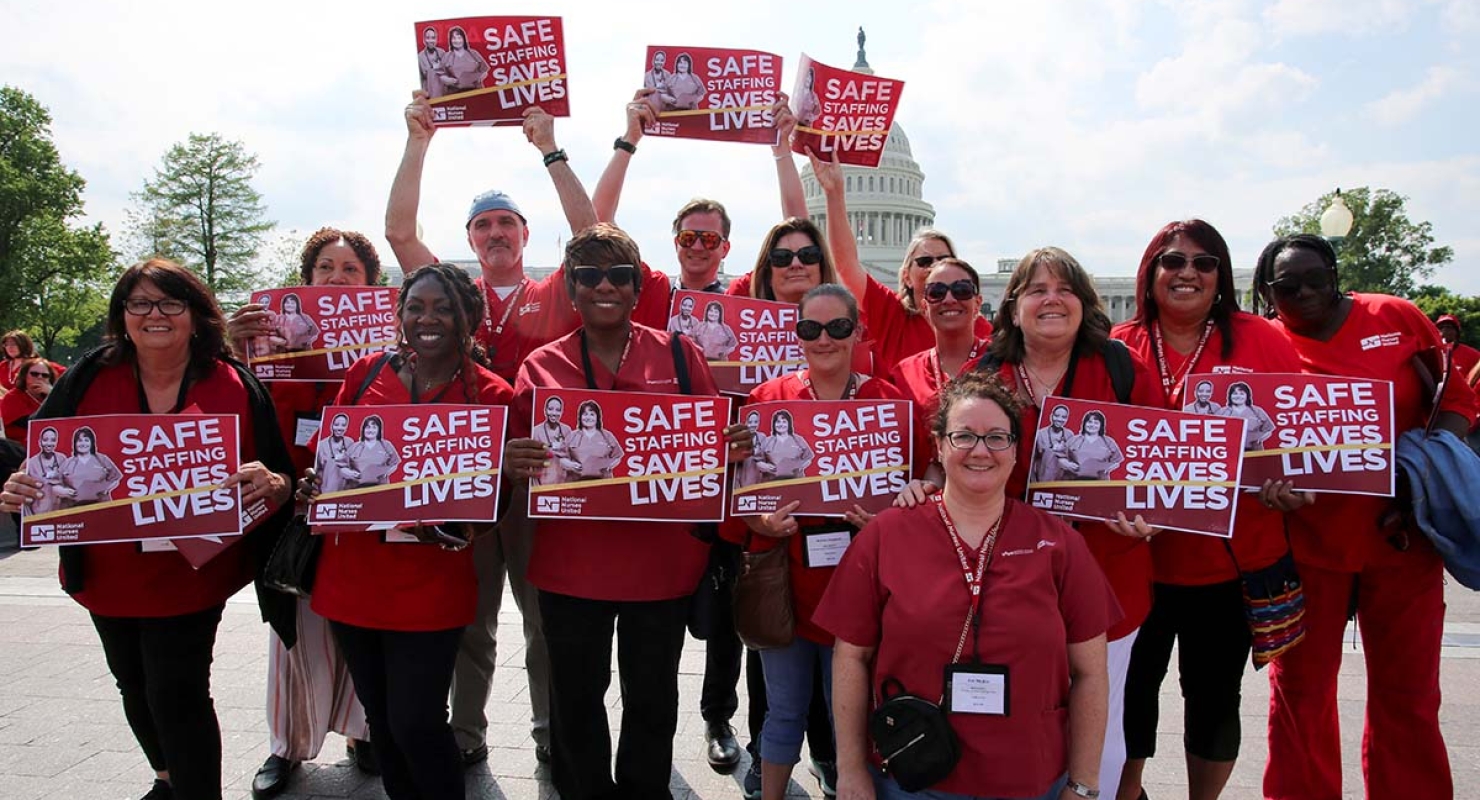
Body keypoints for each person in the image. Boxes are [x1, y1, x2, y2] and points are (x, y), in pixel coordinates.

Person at [388, 91, 630, 769]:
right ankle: (466, 737)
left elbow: (593, 234)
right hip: (462, 483)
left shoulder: (553, 291)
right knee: (470, 622)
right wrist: (418, 141)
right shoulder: (450, 297)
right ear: (469, 238)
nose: (494, 234)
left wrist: (549, 150)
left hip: (535, 483)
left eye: (506, 224)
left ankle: (552, 734)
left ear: (525, 234)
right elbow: (401, 235)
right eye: (482, 225)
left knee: (542, 623)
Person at [0, 257, 296, 800]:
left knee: (177, 690)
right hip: (107, 573)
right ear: (123, 314)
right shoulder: (89, 374)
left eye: (169, 302)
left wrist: (273, 483)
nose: (153, 314)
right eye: (139, 302)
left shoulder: (233, 382)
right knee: (132, 682)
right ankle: (166, 777)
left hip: (193, 574)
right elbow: (42, 460)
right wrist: (21, 486)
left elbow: (280, 473)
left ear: (195, 314)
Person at [501, 224, 751, 800]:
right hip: (570, 567)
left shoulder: (681, 355)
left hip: (658, 569)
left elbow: (708, 445)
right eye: (588, 275)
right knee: (575, 696)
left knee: (653, 696)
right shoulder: (541, 366)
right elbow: (513, 464)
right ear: (570, 287)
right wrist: (513, 461)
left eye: (619, 275)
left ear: (639, 287)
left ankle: (644, 790)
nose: (603, 286)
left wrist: (729, 444)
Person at [902, 246, 1158, 798]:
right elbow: (951, 457)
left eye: (1064, 289)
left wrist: (1149, 514)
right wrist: (926, 482)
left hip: (1108, 573)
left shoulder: (1120, 368)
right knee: (1018, 716)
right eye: (1037, 290)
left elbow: (1160, 465)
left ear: (1084, 303)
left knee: (1102, 724)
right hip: (1011, 582)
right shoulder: (983, 374)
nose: (1051, 300)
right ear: (1012, 307)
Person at [817, 370, 1116, 800]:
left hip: (1029, 779)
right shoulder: (886, 535)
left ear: (1015, 451)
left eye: (997, 437)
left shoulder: (1059, 543)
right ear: (939, 446)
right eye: (964, 437)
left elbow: (1091, 673)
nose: (981, 450)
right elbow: (850, 658)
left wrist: (1083, 784)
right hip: (912, 776)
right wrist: (849, 770)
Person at [1252, 233, 1476, 800]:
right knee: (1300, 692)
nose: (1303, 293)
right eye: (1286, 286)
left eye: (1315, 279)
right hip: (1305, 547)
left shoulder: (1396, 316)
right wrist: (1263, 487)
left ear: (1335, 274)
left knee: (1410, 694)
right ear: (1266, 292)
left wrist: (1423, 465)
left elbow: (1455, 398)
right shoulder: (1262, 343)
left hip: (1402, 538)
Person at [1112, 219, 1308, 800]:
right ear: (1150, 274)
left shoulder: (1262, 340)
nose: (1187, 273)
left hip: (1230, 561)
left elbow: (1294, 438)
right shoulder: (1120, 345)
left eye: (1204, 262)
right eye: (1173, 261)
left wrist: (1288, 483)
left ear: (1220, 276)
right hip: (1136, 561)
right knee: (1129, 695)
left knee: (1215, 697)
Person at [304, 263, 514, 800]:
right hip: (353, 578)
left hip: (430, 585)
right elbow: (334, 456)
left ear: (470, 317)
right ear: (399, 314)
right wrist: (315, 482)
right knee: (383, 721)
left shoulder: (491, 394)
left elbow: (495, 505)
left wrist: (462, 521)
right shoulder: (368, 374)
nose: (429, 318)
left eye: (444, 308)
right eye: (417, 306)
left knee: (418, 721)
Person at [227, 226, 379, 797]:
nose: (336, 279)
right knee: (294, 633)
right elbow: (232, 409)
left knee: (363, 625)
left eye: (349, 271)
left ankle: (365, 733)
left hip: (361, 509)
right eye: (325, 269)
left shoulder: (387, 353)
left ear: (368, 285)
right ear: (306, 277)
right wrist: (229, 344)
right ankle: (286, 747)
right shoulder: (266, 341)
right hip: (289, 506)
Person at [742, 283, 905, 800]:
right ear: (797, 334)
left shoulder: (886, 401)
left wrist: (884, 519)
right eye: (812, 329)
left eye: (838, 328)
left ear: (858, 331)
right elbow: (742, 499)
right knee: (783, 707)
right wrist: (760, 523)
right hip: (788, 582)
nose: (825, 340)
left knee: (851, 714)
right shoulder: (767, 400)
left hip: (860, 591)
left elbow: (918, 492)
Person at [808, 150, 990, 377]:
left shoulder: (978, 327)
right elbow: (845, 264)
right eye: (924, 261)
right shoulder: (893, 317)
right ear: (906, 276)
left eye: (943, 259)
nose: (934, 266)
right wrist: (834, 194)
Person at [886, 258, 991, 481]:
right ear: (925, 306)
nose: (950, 299)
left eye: (962, 290)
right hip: (924, 502)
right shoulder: (903, 374)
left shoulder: (1005, 363)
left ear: (978, 303)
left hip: (991, 498)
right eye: (937, 292)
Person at [560, 399, 623, 480]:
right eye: (585, 414)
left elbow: (617, 456)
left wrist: (610, 466)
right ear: (580, 417)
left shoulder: (607, 436)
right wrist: (571, 465)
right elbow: (561, 458)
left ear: (597, 417)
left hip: (602, 483)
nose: (588, 417)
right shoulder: (572, 436)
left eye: (592, 414)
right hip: (575, 484)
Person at [58, 426, 121, 506]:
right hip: (74, 506)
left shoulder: (102, 459)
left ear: (92, 443)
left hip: (100, 503)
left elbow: (115, 479)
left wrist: (105, 489)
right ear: (75, 443)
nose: (83, 443)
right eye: (80, 441)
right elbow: (56, 484)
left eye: (86, 440)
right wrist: (64, 491)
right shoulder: (67, 463)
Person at [2, 357, 60, 441]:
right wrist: (53, 396)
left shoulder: (50, 396)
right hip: (20, 448)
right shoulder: (13, 396)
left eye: (45, 375)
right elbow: (33, 423)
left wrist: (52, 394)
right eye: (34, 374)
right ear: (25, 376)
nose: (40, 377)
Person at [1214, 381, 1275, 451]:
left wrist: (1259, 439)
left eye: (1241, 394)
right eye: (1235, 393)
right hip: (1228, 450)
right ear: (1230, 395)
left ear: (1247, 396)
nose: (1238, 396)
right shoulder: (1222, 412)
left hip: (1253, 449)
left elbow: (1269, 429)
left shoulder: (1257, 411)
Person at [1062, 410, 1122, 480]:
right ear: (1084, 423)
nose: (1092, 425)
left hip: (1099, 482)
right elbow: (1061, 457)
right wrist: (1067, 464)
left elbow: (1116, 461)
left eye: (1096, 423)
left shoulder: (1108, 442)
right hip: (1073, 481)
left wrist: (1107, 469)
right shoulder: (1074, 440)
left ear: (1101, 425)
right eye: (1089, 422)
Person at [22, 426, 67, 514]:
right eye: (45, 440)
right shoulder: (32, 463)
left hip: (61, 511)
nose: (49, 443)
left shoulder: (62, 458)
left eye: (53, 440)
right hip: (40, 511)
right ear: (40, 442)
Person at [529, 396, 573, 486]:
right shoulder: (536, 431)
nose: (554, 413)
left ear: (561, 412)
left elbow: (571, 456)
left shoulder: (566, 430)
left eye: (558, 410)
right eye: (550, 409)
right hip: (543, 481)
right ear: (545, 410)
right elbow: (533, 462)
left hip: (562, 481)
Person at [346, 414, 399, 489]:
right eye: (368, 427)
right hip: (357, 488)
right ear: (363, 429)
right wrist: (350, 473)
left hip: (380, 487)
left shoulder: (386, 445)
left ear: (379, 430)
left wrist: (386, 473)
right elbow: (343, 466)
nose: (370, 430)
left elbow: (394, 463)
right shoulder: (354, 447)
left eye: (374, 427)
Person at [314, 413, 356, 493]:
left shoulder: (350, 442)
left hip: (343, 492)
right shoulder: (321, 445)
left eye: (343, 425)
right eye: (336, 424)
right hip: (325, 490)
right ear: (331, 426)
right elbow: (318, 470)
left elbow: (353, 467)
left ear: (346, 427)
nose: (340, 428)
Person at [1435, 314, 1480, 387]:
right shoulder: (1431, 353)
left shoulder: (1473, 355)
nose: (1444, 330)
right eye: (1441, 328)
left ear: (1457, 332)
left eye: (1449, 327)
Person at [1032, 403, 1074, 482]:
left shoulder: (1069, 435)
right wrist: (1033, 482)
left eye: (1063, 417)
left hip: (1061, 483)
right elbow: (1032, 460)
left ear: (1067, 419)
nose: (1059, 419)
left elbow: (1072, 460)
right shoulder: (1040, 434)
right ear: (1051, 416)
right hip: (1042, 480)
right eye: (1056, 416)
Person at [442, 27, 488, 92]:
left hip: (476, 91)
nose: (457, 41)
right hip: (455, 94)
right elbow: (441, 75)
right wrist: (447, 80)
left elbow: (485, 71)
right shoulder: (446, 56)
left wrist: (481, 77)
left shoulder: (473, 53)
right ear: (450, 40)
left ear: (464, 39)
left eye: (459, 38)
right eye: (454, 38)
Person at [418, 27, 449, 100]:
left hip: (443, 94)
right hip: (429, 95)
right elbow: (421, 79)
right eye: (428, 37)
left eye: (433, 37)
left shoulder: (442, 53)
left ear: (436, 39)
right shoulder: (420, 57)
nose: (431, 40)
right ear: (424, 40)